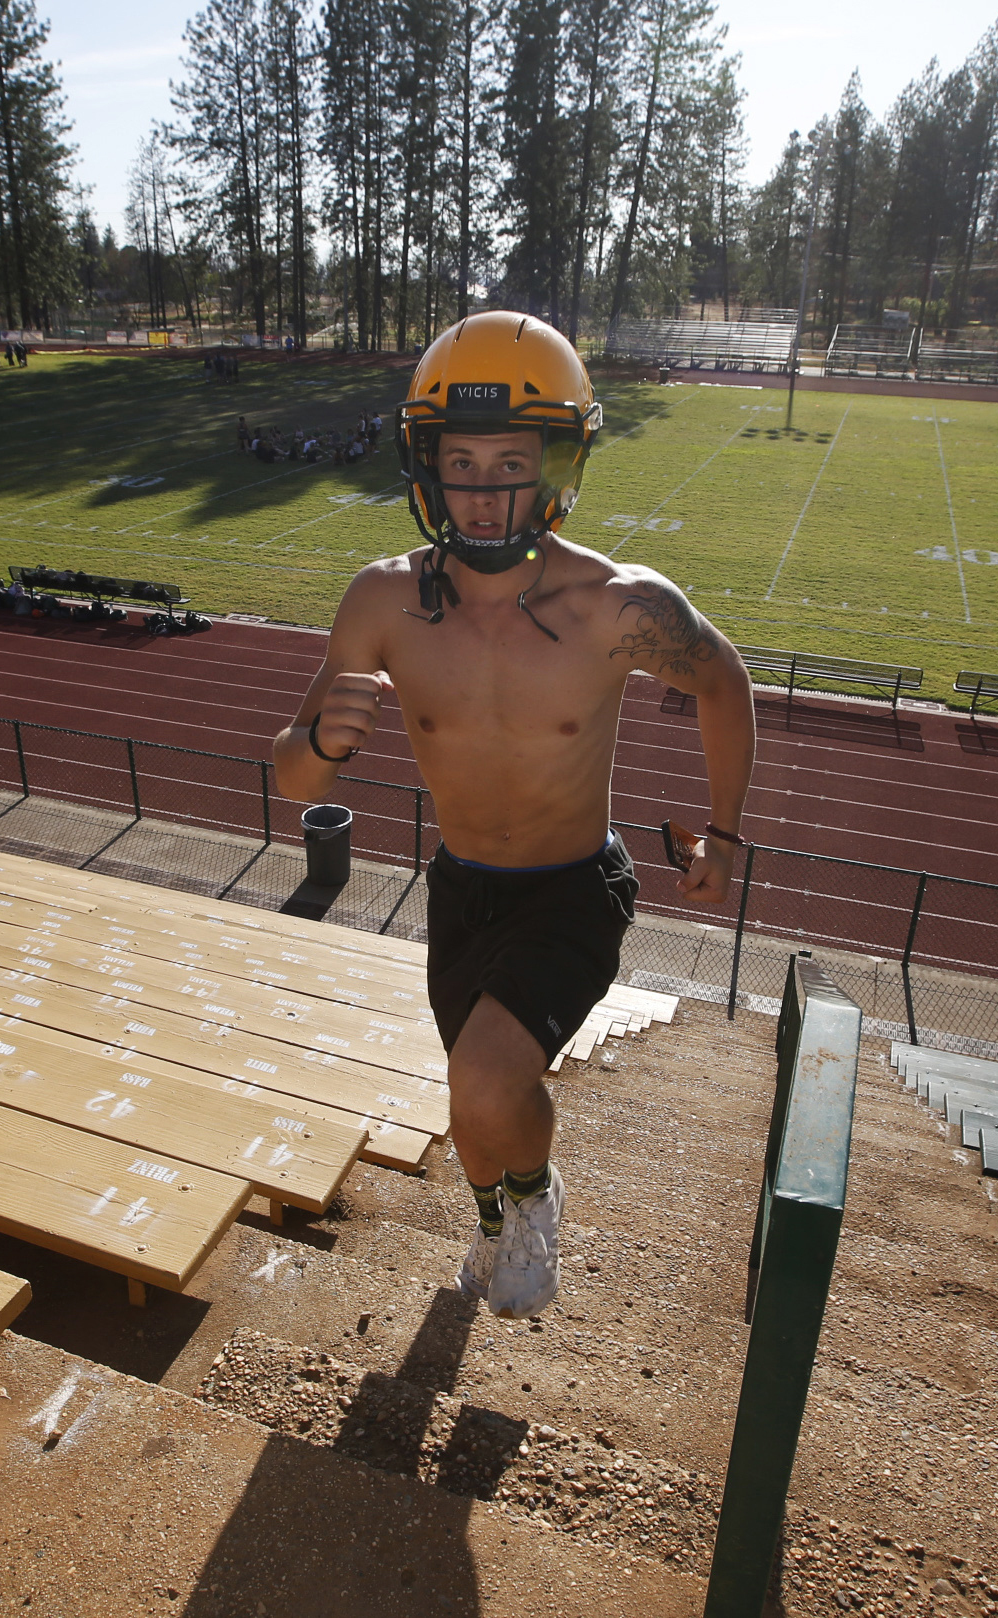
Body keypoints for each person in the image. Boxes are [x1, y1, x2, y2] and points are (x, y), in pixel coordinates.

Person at [270, 311, 755, 1321]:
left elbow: (722, 680)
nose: (484, 492)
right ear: (425, 466)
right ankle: (495, 1220)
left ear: (558, 466)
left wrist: (724, 828)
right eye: (460, 462)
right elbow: (289, 784)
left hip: (573, 887)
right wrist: (321, 745)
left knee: (489, 1085)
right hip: (461, 892)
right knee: (467, 1103)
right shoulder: (380, 601)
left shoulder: (619, 606)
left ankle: (532, 1204)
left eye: (510, 462)